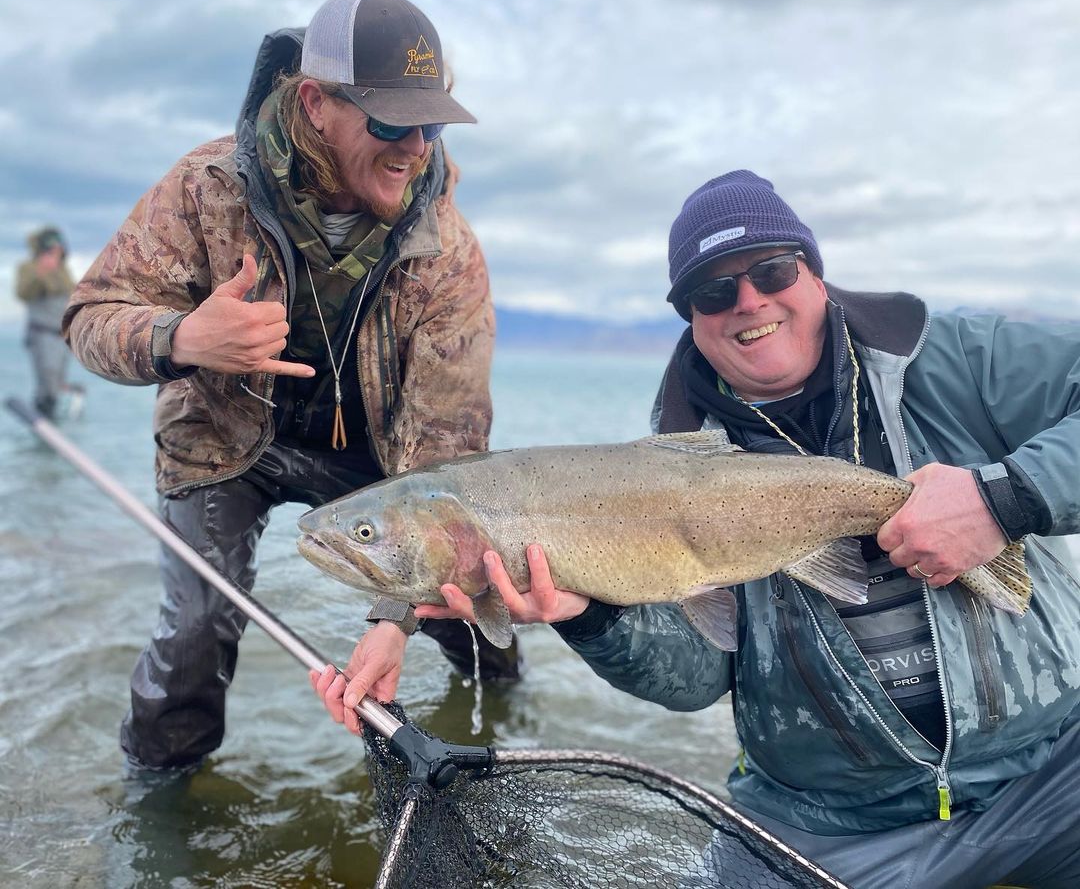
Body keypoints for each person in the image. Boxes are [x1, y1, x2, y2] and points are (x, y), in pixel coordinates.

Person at [323, 170, 1080, 887]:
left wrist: (1003, 501)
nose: (748, 300)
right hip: (829, 821)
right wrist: (589, 618)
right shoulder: (665, 460)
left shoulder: (954, 360)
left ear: (814, 272)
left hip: (1055, 770)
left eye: (774, 271)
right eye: (714, 289)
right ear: (690, 314)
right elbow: (696, 674)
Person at [63, 0, 521, 774]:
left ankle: (505, 720)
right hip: (224, 443)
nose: (415, 146)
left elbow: (445, 452)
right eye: (389, 121)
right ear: (315, 102)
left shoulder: (446, 248)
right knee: (195, 629)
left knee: (470, 610)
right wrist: (183, 338)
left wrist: (392, 614)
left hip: (378, 453)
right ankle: (159, 800)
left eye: (431, 122)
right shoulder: (205, 187)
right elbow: (90, 317)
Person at [16, 226, 82, 418]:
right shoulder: (29, 268)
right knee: (48, 385)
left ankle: (50, 418)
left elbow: (71, 297)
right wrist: (41, 272)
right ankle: (42, 416)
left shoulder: (63, 271)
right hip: (42, 333)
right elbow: (24, 293)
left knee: (57, 382)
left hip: (61, 334)